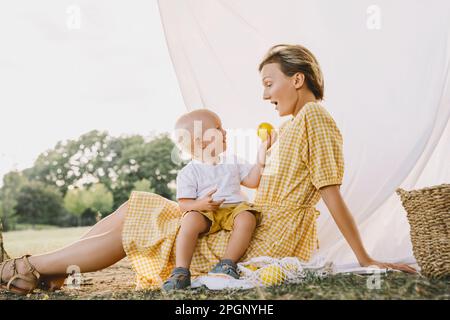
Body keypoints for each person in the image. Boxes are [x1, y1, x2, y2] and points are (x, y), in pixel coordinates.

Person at [0, 44, 416, 295]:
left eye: (270, 83)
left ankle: (31, 268)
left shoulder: (316, 121)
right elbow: (260, 180)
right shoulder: (294, 126)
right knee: (138, 208)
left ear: (298, 79)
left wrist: (366, 258)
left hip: (263, 235)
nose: (264, 93)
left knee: (138, 214)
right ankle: (43, 273)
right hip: (250, 221)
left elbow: (330, 192)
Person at [162, 109, 270, 291]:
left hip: (234, 209)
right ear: (201, 141)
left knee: (247, 217)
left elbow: (253, 181)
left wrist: (261, 156)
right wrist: (199, 205)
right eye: (218, 129)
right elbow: (184, 204)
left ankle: (227, 264)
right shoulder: (189, 172)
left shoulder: (233, 161)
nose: (225, 132)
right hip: (206, 213)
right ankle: (181, 271)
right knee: (189, 219)